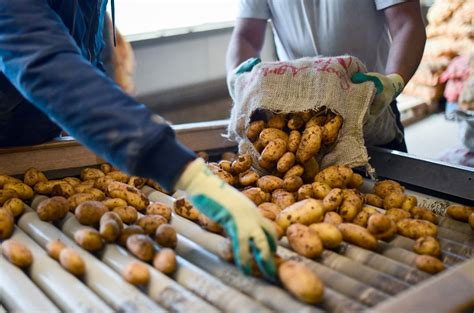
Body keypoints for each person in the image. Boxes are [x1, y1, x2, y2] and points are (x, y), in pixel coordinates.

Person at [0, 0, 276, 278]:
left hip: (36, 145)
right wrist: (190, 175)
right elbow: (46, 64)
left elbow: (82, 54)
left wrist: (114, 128)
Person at [226, 0, 427, 152]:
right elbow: (247, 36)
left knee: (388, 192)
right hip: (296, 114)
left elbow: (406, 22)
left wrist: (394, 81)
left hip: (371, 102)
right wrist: (237, 75)